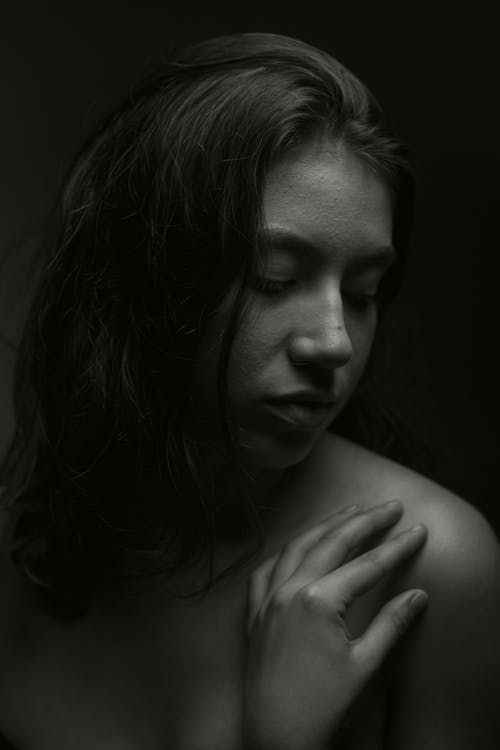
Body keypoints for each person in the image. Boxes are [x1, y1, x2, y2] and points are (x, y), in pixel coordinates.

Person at [0, 31, 499, 750]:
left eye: (364, 291)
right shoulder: (27, 553)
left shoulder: (433, 567)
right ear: (149, 281)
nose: (335, 342)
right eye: (274, 277)